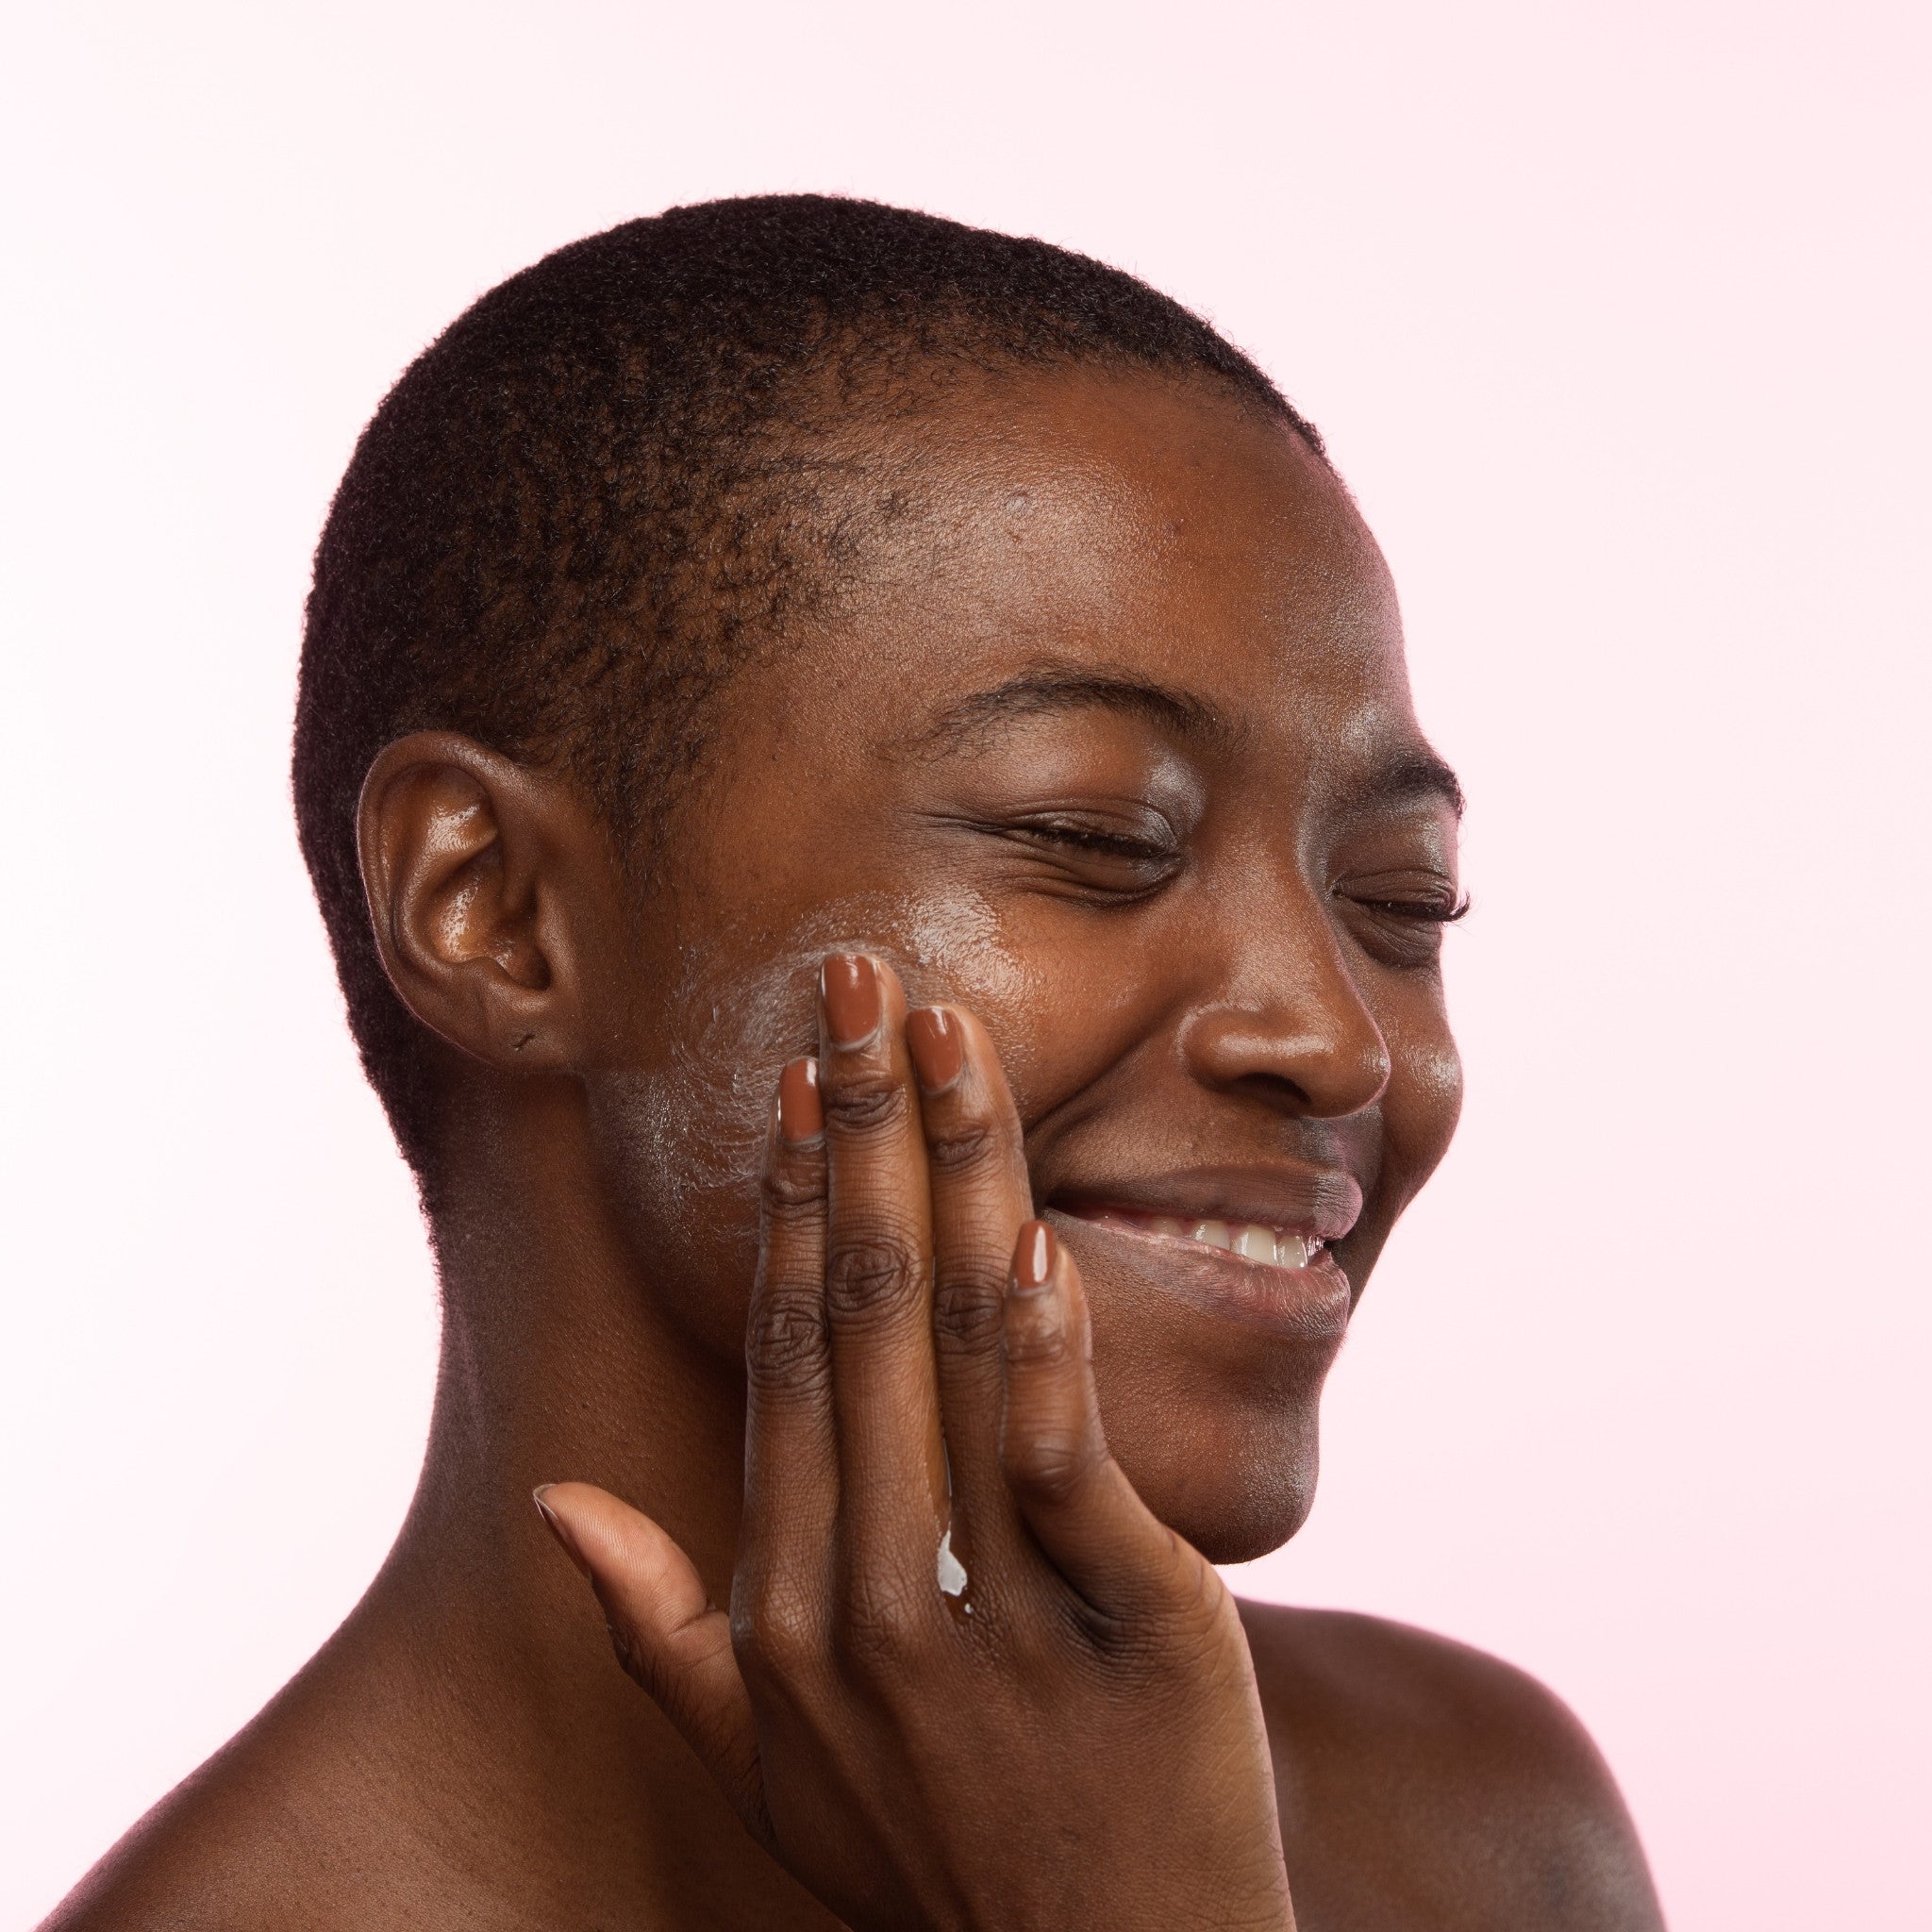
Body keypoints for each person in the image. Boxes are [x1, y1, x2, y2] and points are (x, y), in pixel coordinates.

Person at [44, 195, 1665, 1931]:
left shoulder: (1481, 1832)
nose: (1338, 1036)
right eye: (1096, 834)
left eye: (1400, 900)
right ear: (497, 912)